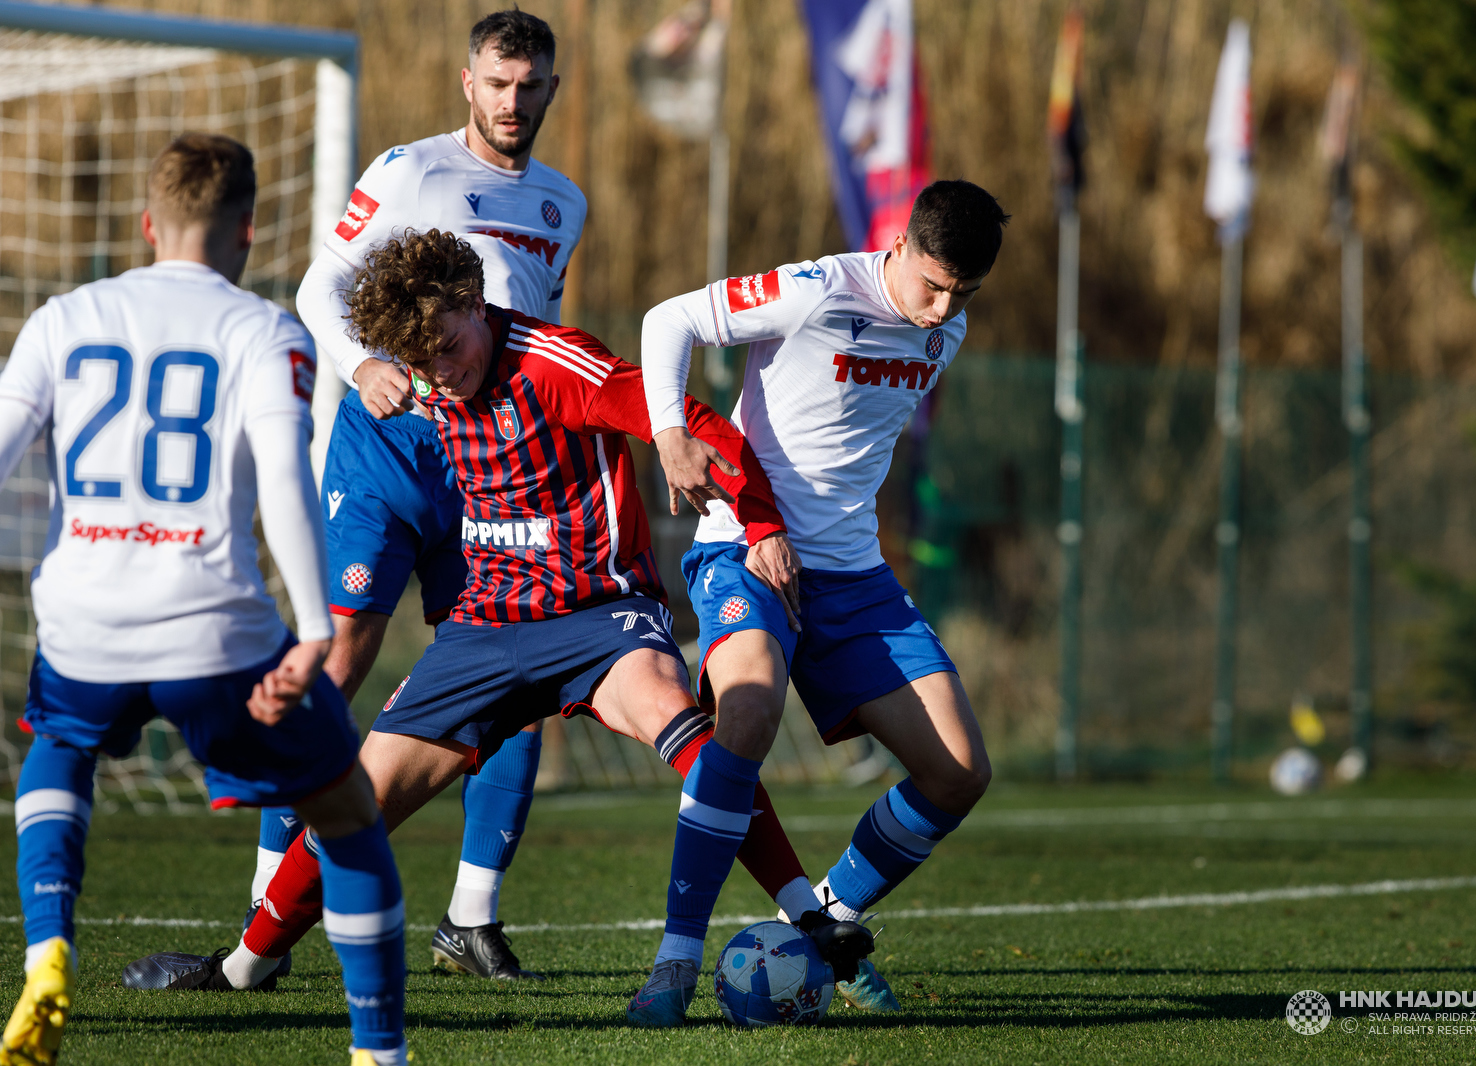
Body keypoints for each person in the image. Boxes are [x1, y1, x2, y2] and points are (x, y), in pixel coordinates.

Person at [131, 228, 868, 1004]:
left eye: (452, 347)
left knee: (685, 730)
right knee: (354, 804)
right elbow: (361, 349)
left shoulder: (556, 364)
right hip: (484, 626)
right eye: (425, 363)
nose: (444, 375)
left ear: (475, 305)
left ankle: (808, 915)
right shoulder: (427, 378)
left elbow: (682, 415)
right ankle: (244, 968)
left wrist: (754, 517)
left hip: (598, 615)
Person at [0, 134, 408, 1066]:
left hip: (83, 625)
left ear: (149, 224)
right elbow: (284, 485)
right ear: (249, 232)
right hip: (214, 632)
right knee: (346, 813)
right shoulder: (263, 329)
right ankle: (380, 1053)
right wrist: (313, 630)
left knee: (59, 752)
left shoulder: (64, 317)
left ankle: (47, 957)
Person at [248, 8, 581, 980]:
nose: (513, 101)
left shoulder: (564, 203)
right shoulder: (410, 171)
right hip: (386, 453)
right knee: (339, 658)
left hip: (493, 466)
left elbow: (532, 340)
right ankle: (265, 905)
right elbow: (319, 289)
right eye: (497, 82)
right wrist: (360, 367)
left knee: (517, 677)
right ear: (467, 83)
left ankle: (470, 920)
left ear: (551, 89)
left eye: (530, 85)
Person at [633, 179, 1008, 1026]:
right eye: (934, 284)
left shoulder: (942, 327)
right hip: (743, 551)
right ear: (902, 245)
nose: (943, 307)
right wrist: (670, 432)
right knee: (751, 709)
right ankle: (675, 958)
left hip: (854, 579)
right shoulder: (818, 288)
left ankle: (824, 918)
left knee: (958, 773)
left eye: (965, 294)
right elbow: (670, 319)